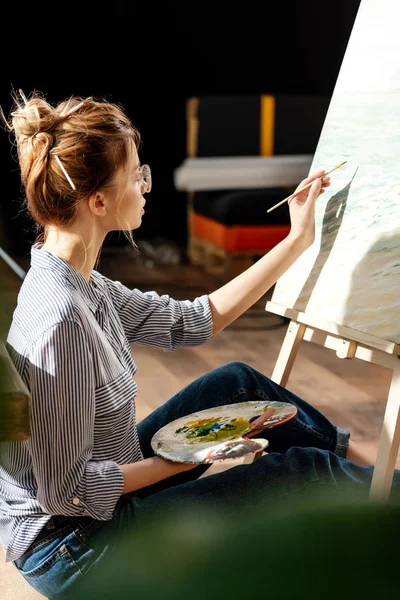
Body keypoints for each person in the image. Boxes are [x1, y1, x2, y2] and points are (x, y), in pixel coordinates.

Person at [0, 90, 398, 599]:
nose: (146, 187)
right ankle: (372, 498)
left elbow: (194, 321)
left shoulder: (79, 281)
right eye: (137, 175)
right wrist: (190, 455)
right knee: (299, 472)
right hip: (78, 549)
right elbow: (66, 490)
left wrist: (296, 241)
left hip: (94, 503)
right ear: (97, 201)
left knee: (237, 383)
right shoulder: (61, 321)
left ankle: (371, 478)